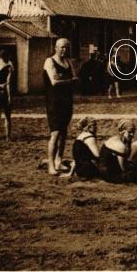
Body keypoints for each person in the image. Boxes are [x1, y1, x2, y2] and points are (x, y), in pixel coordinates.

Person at [44, 38, 76, 175]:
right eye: (62, 47)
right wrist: (69, 81)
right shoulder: (49, 61)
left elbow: (75, 78)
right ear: (56, 48)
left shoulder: (68, 62)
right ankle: (51, 165)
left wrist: (63, 79)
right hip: (54, 102)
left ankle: (59, 160)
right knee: (55, 133)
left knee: (63, 133)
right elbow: (54, 82)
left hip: (67, 101)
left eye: (67, 47)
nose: (64, 50)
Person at [98, 119, 137, 183]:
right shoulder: (120, 145)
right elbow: (123, 168)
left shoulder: (116, 139)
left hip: (104, 169)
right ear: (122, 132)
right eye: (130, 132)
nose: (132, 134)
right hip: (109, 174)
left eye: (133, 132)